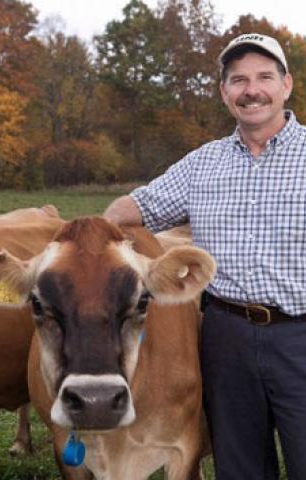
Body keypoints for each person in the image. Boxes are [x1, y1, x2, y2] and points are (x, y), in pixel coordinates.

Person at [104, 33, 306, 480]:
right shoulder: (202, 165)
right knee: (240, 468)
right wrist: (91, 241)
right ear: (224, 93)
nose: (251, 90)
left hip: (301, 337)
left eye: (264, 77)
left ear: (286, 85)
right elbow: (135, 209)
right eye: (238, 80)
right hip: (224, 337)